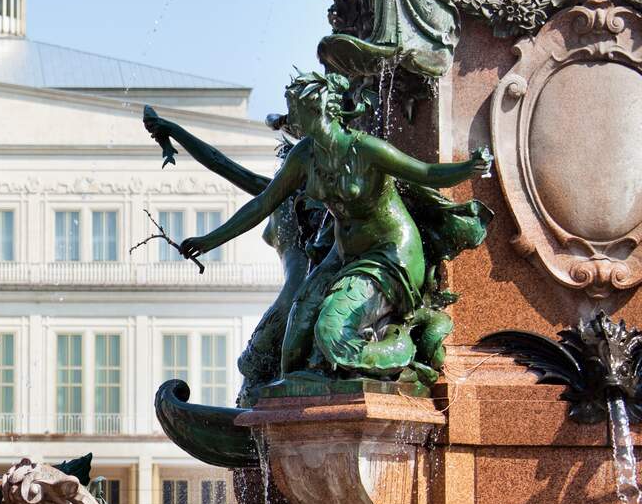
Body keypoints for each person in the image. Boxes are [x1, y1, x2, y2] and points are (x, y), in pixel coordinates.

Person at [179, 71, 490, 383]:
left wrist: (469, 168)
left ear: (318, 109)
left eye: (294, 108)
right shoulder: (305, 154)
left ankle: (400, 355)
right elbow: (263, 203)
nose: (289, 115)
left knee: (332, 332)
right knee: (295, 336)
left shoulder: (367, 150)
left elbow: (426, 173)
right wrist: (209, 241)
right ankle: (299, 407)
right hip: (342, 256)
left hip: (389, 256)